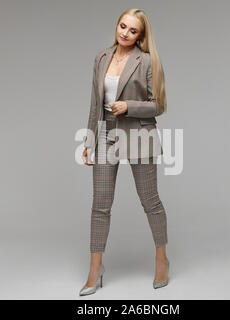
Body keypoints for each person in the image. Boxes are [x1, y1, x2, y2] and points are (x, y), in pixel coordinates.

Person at [80, 8, 169, 296]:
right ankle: (95, 269)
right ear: (116, 25)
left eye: (133, 31)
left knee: (150, 201)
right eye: (122, 26)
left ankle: (161, 258)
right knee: (100, 206)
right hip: (106, 134)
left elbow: (159, 105)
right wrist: (89, 140)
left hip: (139, 135)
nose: (125, 33)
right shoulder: (102, 57)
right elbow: (96, 103)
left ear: (141, 35)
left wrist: (129, 106)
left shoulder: (147, 61)